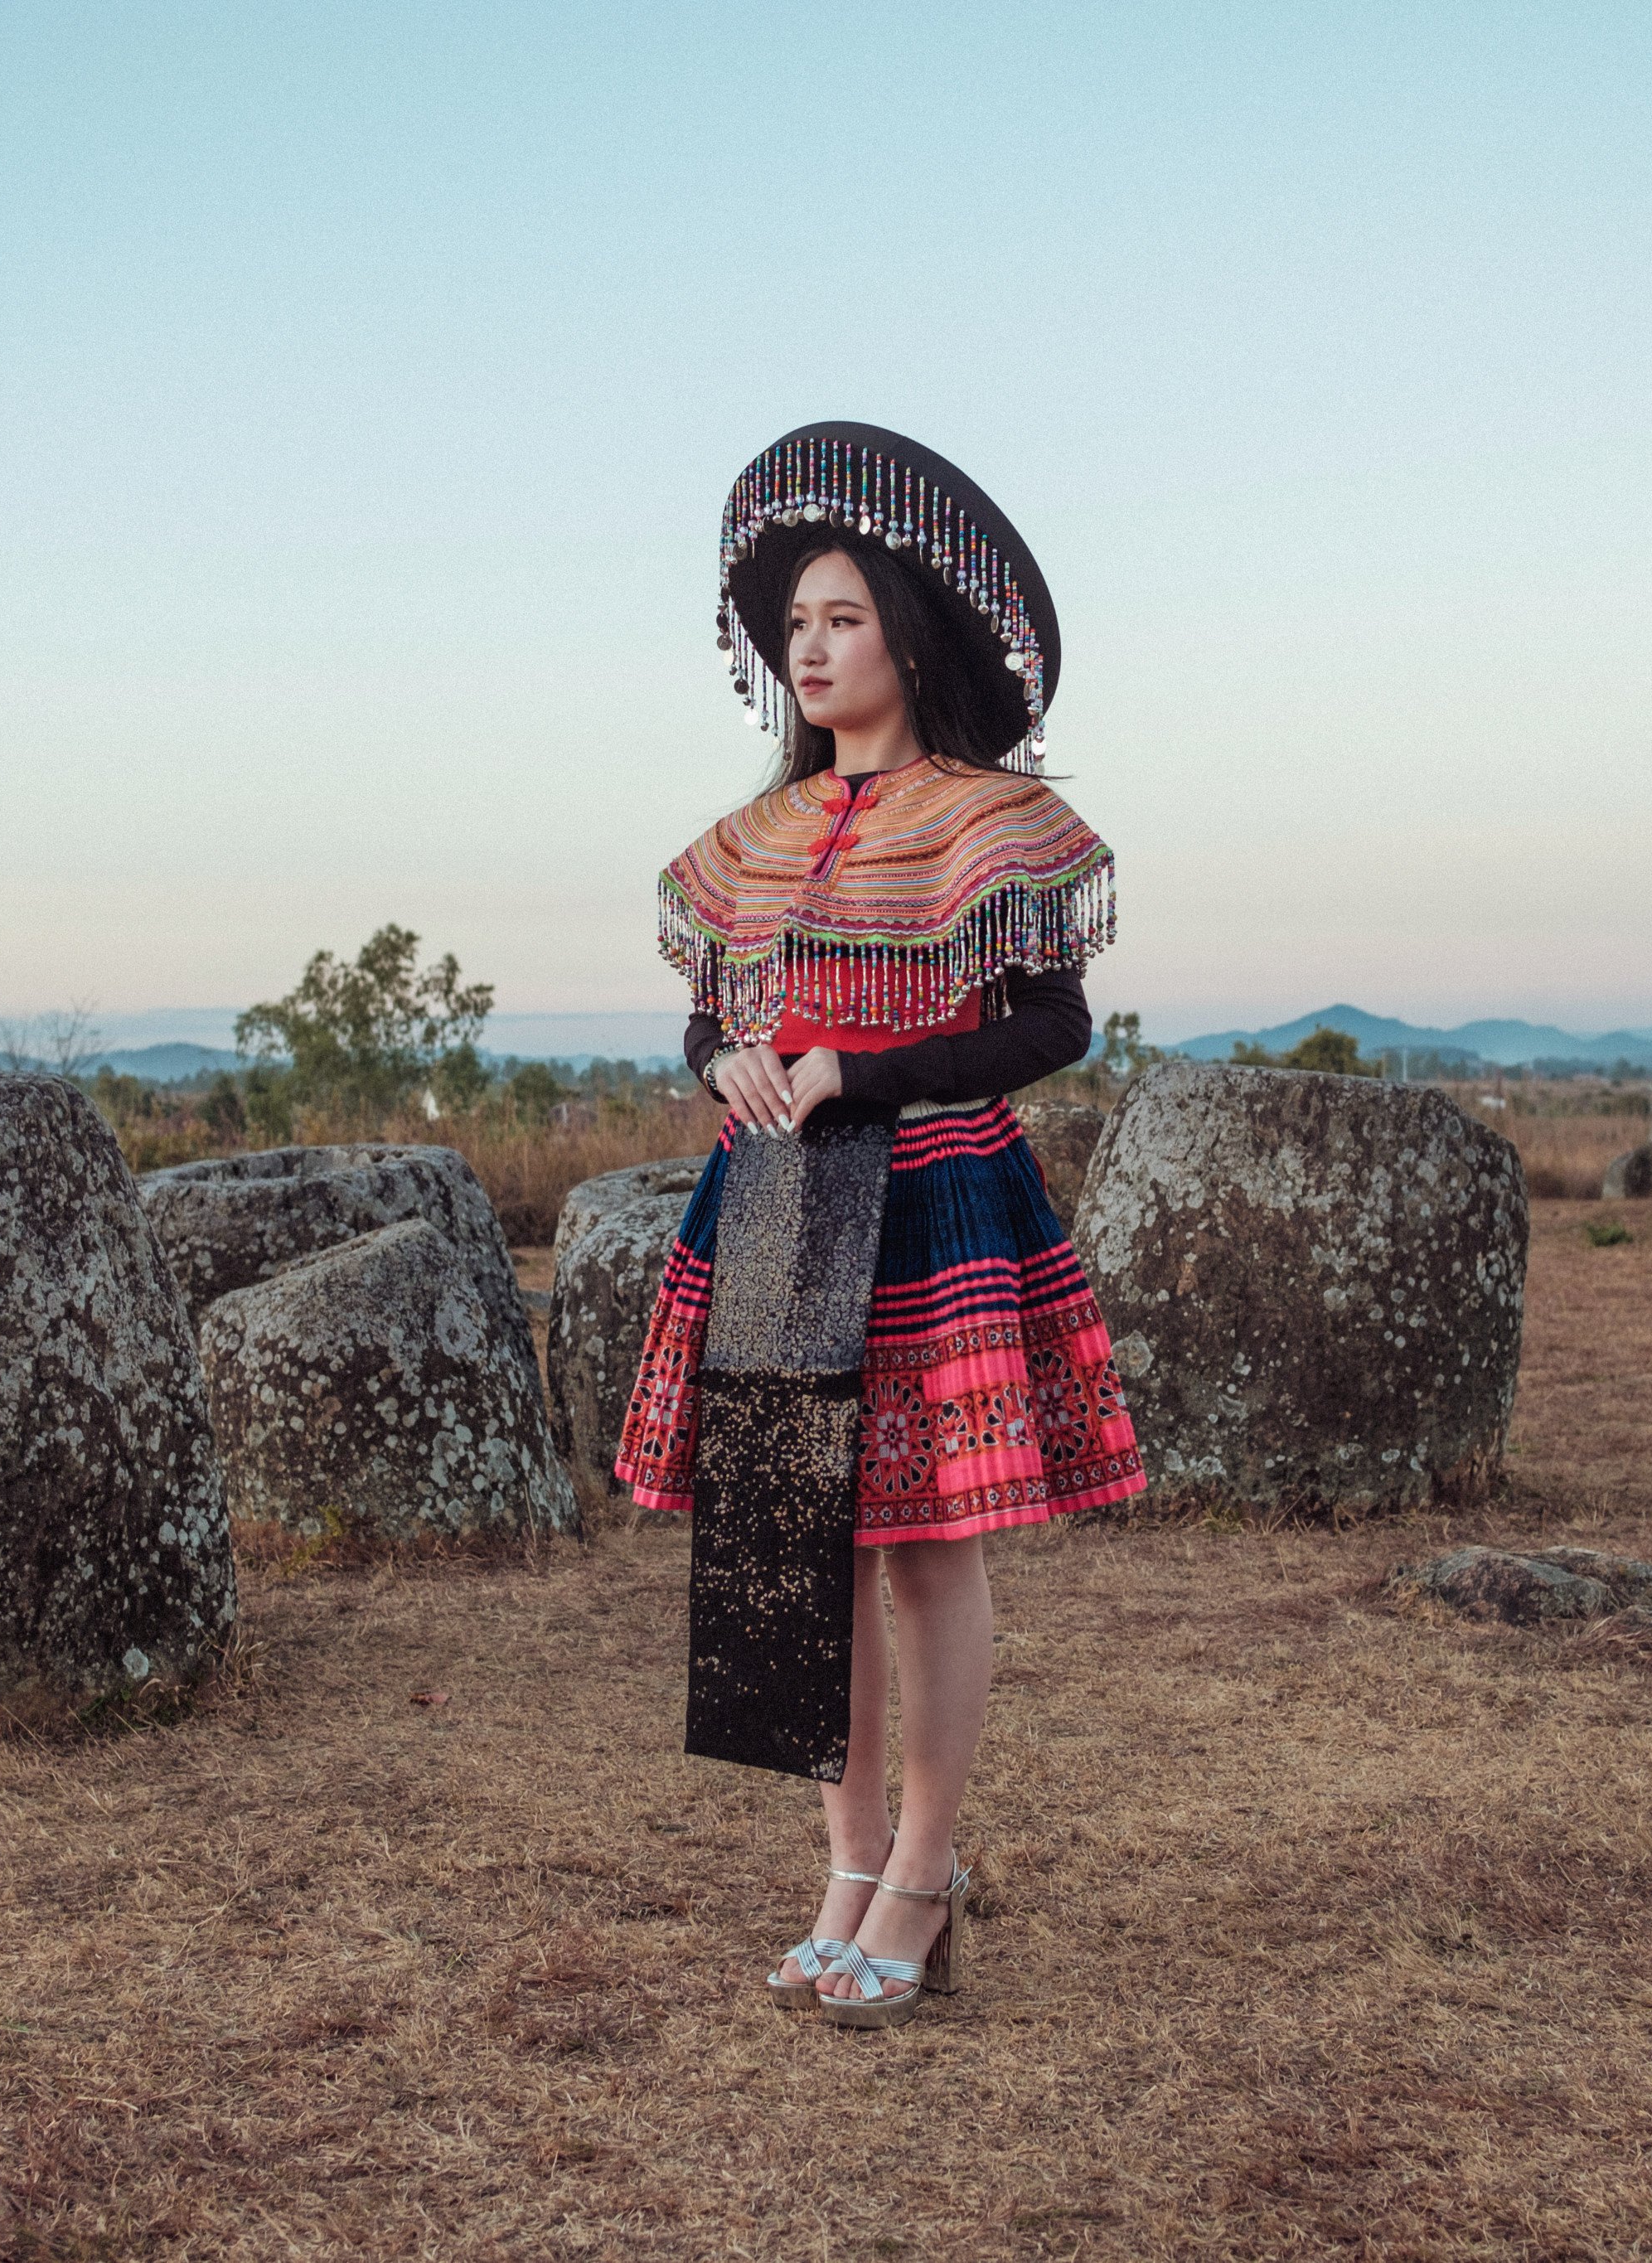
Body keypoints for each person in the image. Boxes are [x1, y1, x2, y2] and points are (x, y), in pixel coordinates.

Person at [611, 424, 1144, 2029]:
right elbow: (703, 1027)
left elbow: (1052, 1029)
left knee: (917, 1545)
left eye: (839, 618)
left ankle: (923, 1866)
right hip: (771, 1200)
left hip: (924, 1194)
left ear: (904, 634)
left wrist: (862, 1067)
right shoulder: (748, 843)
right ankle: (843, 1863)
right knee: (793, 1545)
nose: (812, 649)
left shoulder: (987, 821)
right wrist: (731, 1060)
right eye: (793, 631)